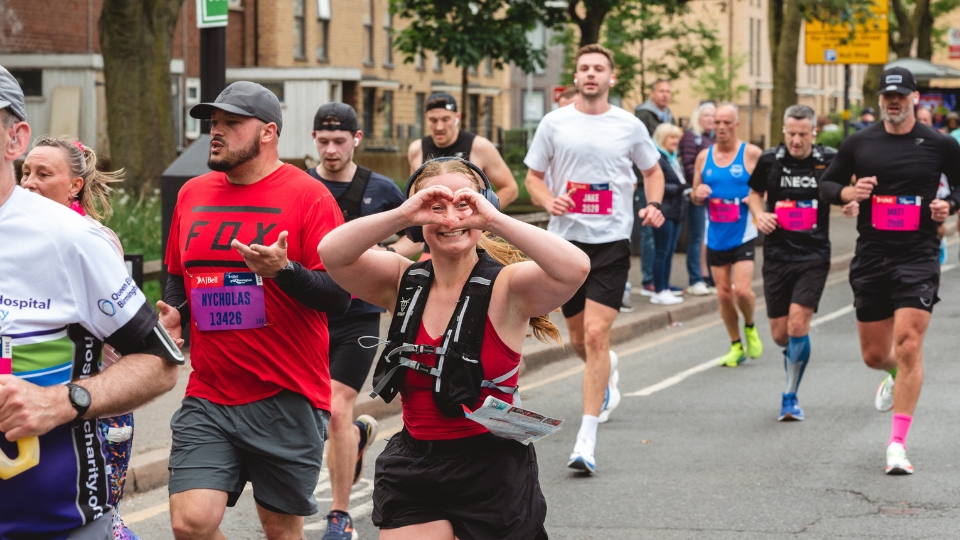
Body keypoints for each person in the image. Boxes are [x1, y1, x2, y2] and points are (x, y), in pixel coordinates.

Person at [318, 157, 590, 540]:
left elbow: (575, 268)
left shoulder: (509, 287)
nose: (451, 219)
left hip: (490, 469)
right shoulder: (400, 279)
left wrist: (492, 218)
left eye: (465, 204)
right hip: (416, 465)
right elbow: (332, 252)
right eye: (435, 207)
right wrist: (402, 214)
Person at [161, 81, 352, 538]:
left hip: (286, 394)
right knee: (190, 523)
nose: (216, 132)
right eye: (213, 123)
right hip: (209, 391)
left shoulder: (310, 196)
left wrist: (285, 272)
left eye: (231, 123)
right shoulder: (192, 193)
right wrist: (177, 314)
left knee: (280, 531)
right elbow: (176, 271)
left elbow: (340, 295)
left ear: (268, 132)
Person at [0, 64, 182, 539]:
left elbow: (161, 362)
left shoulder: (73, 239)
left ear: (14, 138)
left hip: (52, 523)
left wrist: (64, 401)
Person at [524, 44, 665, 472]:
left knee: (597, 335)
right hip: (565, 245)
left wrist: (653, 204)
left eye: (598, 68)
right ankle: (605, 372)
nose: (591, 74)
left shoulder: (629, 125)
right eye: (584, 68)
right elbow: (533, 177)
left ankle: (586, 440)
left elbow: (652, 171)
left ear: (611, 77)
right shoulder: (554, 123)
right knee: (580, 340)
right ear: (577, 76)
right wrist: (550, 202)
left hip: (610, 243)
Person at [820, 67, 960, 475]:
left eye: (900, 96)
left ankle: (897, 445)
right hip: (872, 255)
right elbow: (826, 185)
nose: (893, 102)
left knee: (910, 344)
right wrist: (849, 192)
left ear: (915, 98)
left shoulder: (939, 144)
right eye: (887, 96)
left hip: (917, 253)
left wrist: (947, 207)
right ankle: (893, 374)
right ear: (880, 99)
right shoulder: (859, 143)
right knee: (875, 354)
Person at [305, 102, 421, 540]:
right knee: (313, 415)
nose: (331, 149)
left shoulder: (382, 188)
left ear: (356, 139)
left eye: (340, 140)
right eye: (323, 140)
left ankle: (339, 516)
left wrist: (382, 260)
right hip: (309, 316)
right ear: (314, 140)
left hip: (358, 317)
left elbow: (416, 237)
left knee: (336, 408)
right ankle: (353, 438)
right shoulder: (302, 187)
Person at [19, 136, 141, 539]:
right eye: (25, 173)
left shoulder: (93, 240)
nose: (29, 183)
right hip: (32, 403)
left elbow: (128, 336)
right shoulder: (15, 240)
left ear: (75, 184)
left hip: (97, 406)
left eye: (43, 174)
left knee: (100, 520)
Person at [746, 105, 839, 421]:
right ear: (784, 131)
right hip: (777, 255)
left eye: (802, 134)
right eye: (791, 133)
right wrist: (760, 215)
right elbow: (754, 194)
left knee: (798, 324)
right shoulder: (771, 161)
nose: (796, 140)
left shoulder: (829, 159)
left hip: (814, 255)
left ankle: (790, 396)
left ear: (814, 131)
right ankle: (797, 354)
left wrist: (852, 202)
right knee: (780, 334)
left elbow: (846, 189)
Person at [691, 103, 764, 368]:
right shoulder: (703, 157)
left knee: (742, 291)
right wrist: (697, 194)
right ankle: (735, 345)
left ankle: (751, 326)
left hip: (743, 232)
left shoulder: (752, 154)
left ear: (735, 124)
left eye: (726, 123)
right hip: (716, 235)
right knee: (723, 294)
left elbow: (767, 188)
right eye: (717, 123)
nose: (720, 127)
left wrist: (755, 198)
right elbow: (695, 192)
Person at [407, 92, 518, 207]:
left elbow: (510, 188)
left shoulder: (479, 146)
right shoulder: (416, 150)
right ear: (426, 119)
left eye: (445, 119)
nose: (439, 127)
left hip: (470, 223)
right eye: (433, 120)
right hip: (433, 223)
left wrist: (483, 215)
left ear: (457, 118)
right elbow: (412, 198)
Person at [634, 79, 676, 299]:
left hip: (664, 181)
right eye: (661, 90)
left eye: (668, 91)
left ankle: (663, 281)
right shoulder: (642, 116)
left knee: (663, 234)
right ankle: (648, 279)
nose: (665, 95)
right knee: (649, 232)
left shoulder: (669, 115)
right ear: (652, 93)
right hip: (645, 181)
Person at [679, 102, 716, 296]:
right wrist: (701, 185)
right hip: (696, 195)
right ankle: (696, 278)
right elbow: (689, 166)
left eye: (713, 116)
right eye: (706, 115)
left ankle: (708, 276)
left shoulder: (713, 138)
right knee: (697, 237)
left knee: (709, 237)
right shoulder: (691, 137)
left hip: (713, 196)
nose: (710, 119)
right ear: (698, 118)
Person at [649, 123, 688, 306]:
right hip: (664, 211)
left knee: (669, 251)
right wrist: (680, 188)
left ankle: (665, 287)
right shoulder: (658, 159)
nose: (676, 141)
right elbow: (659, 185)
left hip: (676, 211)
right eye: (671, 137)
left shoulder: (672, 158)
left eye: (677, 137)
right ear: (662, 138)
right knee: (662, 251)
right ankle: (658, 290)